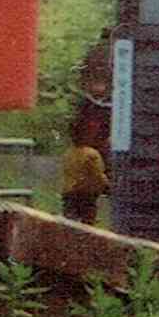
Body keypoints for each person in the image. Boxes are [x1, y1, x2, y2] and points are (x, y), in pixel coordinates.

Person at [59, 90, 111, 225]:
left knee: (70, 219)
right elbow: (97, 175)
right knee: (87, 220)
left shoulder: (69, 153)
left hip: (69, 193)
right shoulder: (92, 154)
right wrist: (107, 186)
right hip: (86, 194)